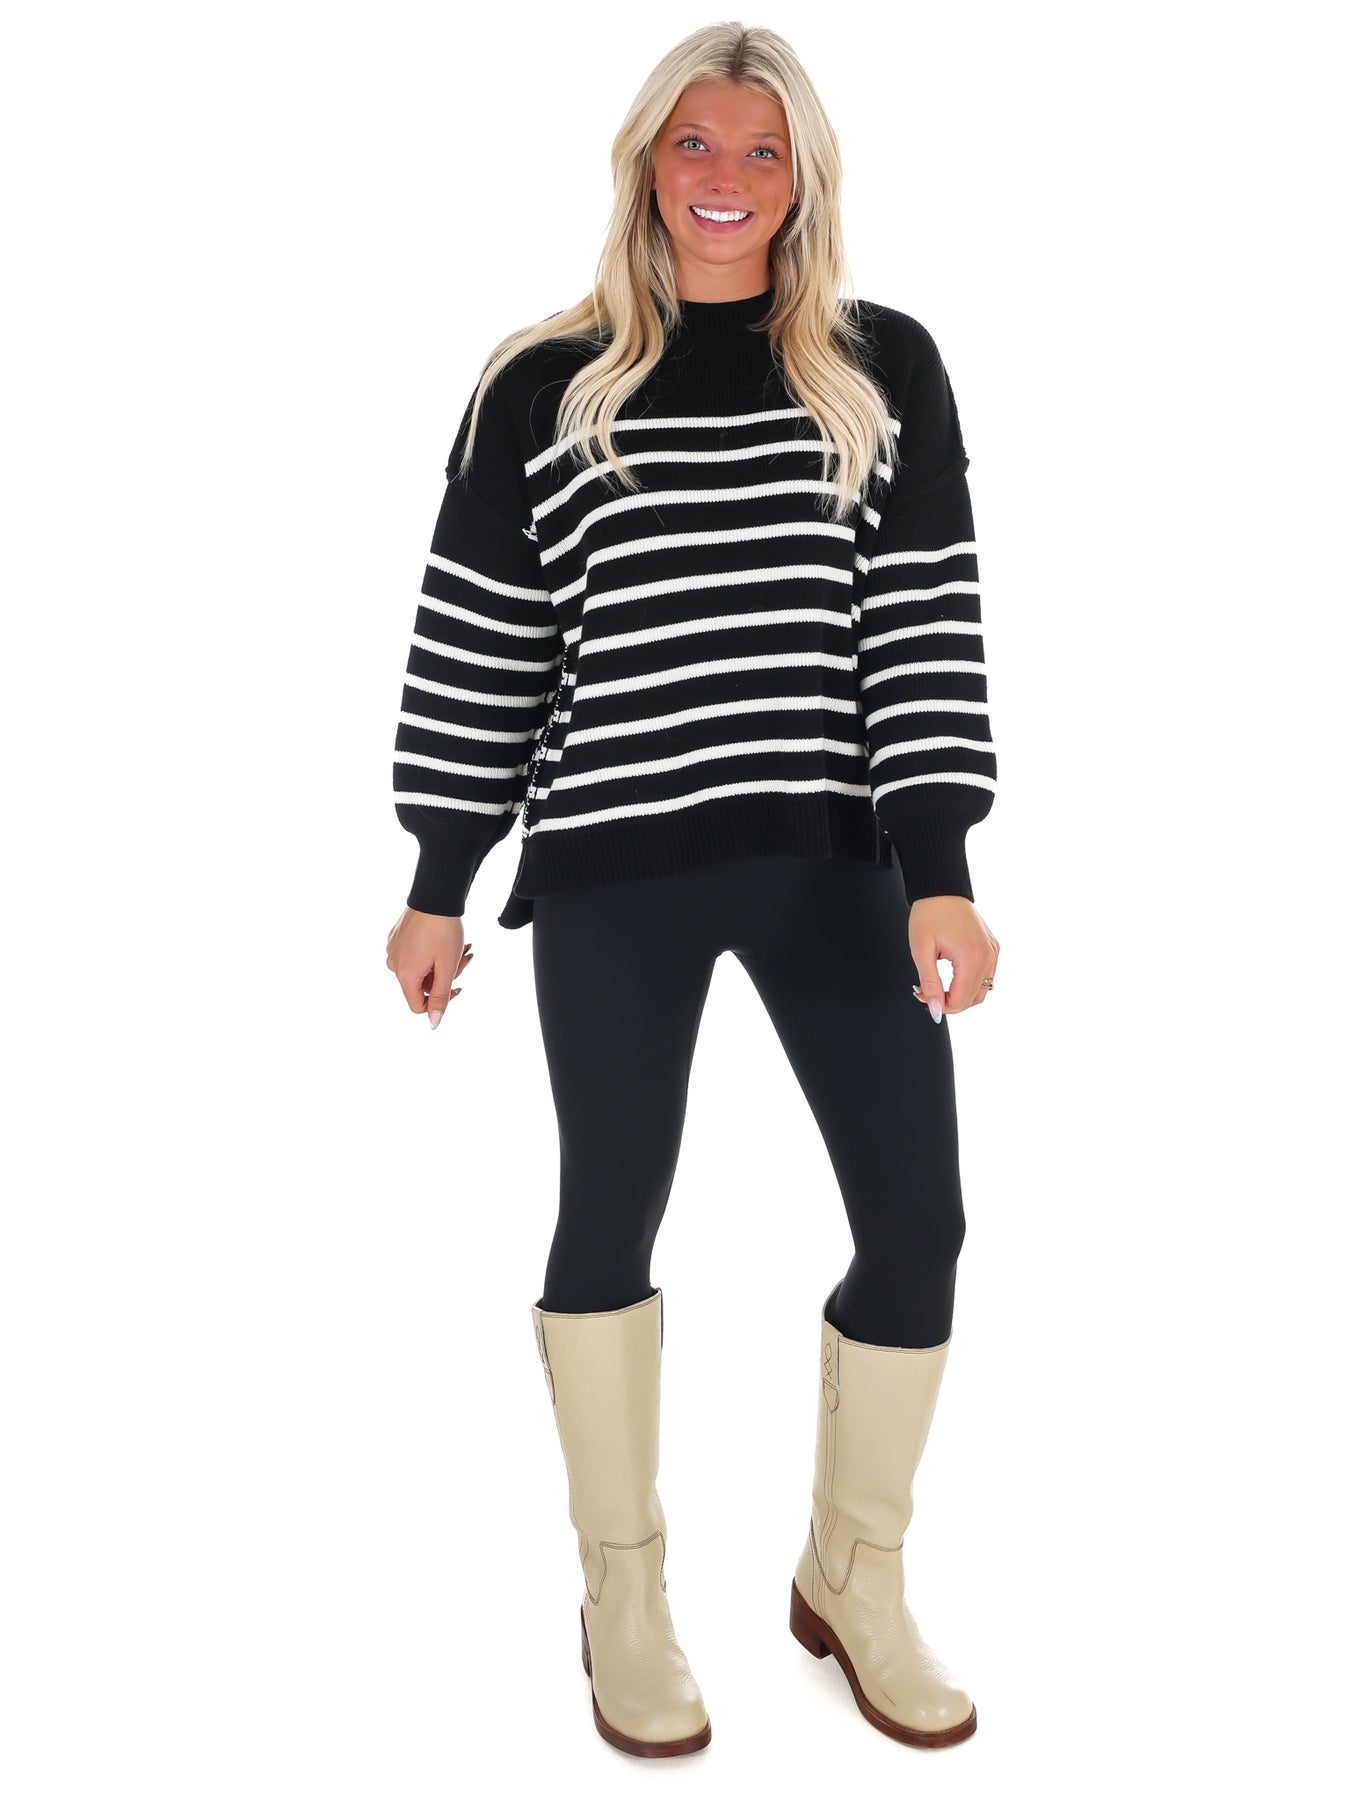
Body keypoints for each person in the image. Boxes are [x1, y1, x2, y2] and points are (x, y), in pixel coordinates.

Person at [385, 22, 999, 1760]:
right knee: (608, 1218)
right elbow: (482, 644)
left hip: (836, 865)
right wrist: (439, 876)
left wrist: (940, 870)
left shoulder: (880, 367)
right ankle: (624, 1596)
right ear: (644, 165)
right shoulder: (541, 384)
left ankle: (852, 1575)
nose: (723, 180)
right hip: (612, 868)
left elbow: (922, 626)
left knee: (919, 1223)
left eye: (759, 152)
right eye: (693, 147)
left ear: (802, 179)